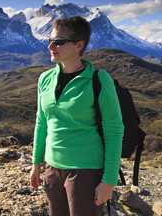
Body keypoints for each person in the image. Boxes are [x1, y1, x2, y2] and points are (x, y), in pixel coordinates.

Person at [30, 16, 124, 216]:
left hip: (86, 170)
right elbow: (41, 123)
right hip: (52, 168)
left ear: (79, 45)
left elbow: (114, 130)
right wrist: (36, 164)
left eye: (58, 42)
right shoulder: (45, 79)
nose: (50, 46)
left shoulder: (98, 79)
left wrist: (108, 180)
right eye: (50, 40)